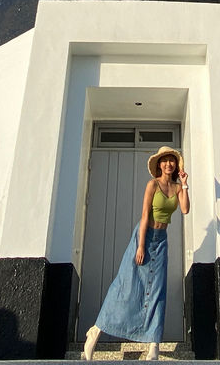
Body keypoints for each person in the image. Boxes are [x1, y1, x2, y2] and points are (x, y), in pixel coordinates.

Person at [83, 146, 190, 361]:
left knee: (157, 291)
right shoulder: (152, 184)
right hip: (144, 237)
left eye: (172, 160)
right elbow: (143, 215)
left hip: (161, 242)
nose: (168, 164)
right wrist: (140, 246)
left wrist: (185, 184)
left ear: (175, 165)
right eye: (165, 160)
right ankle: (96, 330)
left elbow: (186, 210)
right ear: (159, 164)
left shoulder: (178, 188)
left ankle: (153, 345)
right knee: (127, 285)